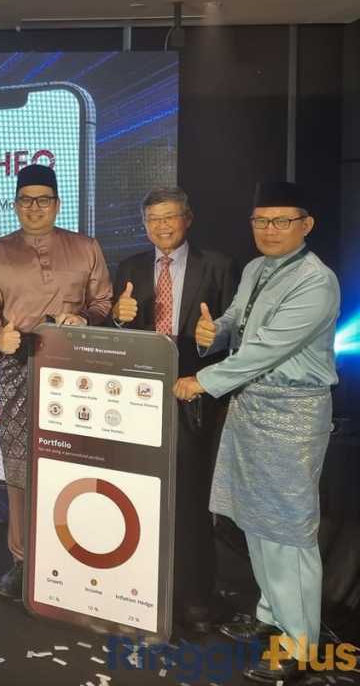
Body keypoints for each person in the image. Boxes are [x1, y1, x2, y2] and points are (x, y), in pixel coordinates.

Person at [174, 182, 339, 684]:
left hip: (292, 413)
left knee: (288, 531)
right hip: (250, 409)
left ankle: (300, 643)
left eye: (281, 221)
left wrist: (202, 380)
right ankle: (272, 615)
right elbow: (236, 322)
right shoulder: (254, 269)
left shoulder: (316, 281)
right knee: (256, 522)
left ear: (306, 225)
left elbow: (266, 348)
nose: (269, 230)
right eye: (261, 221)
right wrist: (213, 332)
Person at [0, 164, 113, 600]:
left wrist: (84, 318)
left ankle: (77, 554)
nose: (35, 208)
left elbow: (102, 302)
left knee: (75, 462)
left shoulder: (85, 247)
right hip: (18, 367)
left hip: (76, 372)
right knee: (19, 466)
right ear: (15, 205)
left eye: (43, 200)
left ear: (57, 203)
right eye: (26, 200)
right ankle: (21, 560)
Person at [111, 186, 237, 635]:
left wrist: (213, 337)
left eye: (169, 217)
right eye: (153, 220)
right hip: (138, 400)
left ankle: (196, 597)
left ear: (188, 218)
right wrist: (120, 316)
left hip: (193, 398)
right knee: (139, 495)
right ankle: (144, 590)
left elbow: (235, 335)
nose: (161, 227)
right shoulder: (130, 267)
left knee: (190, 500)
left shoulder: (218, 266)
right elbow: (117, 333)